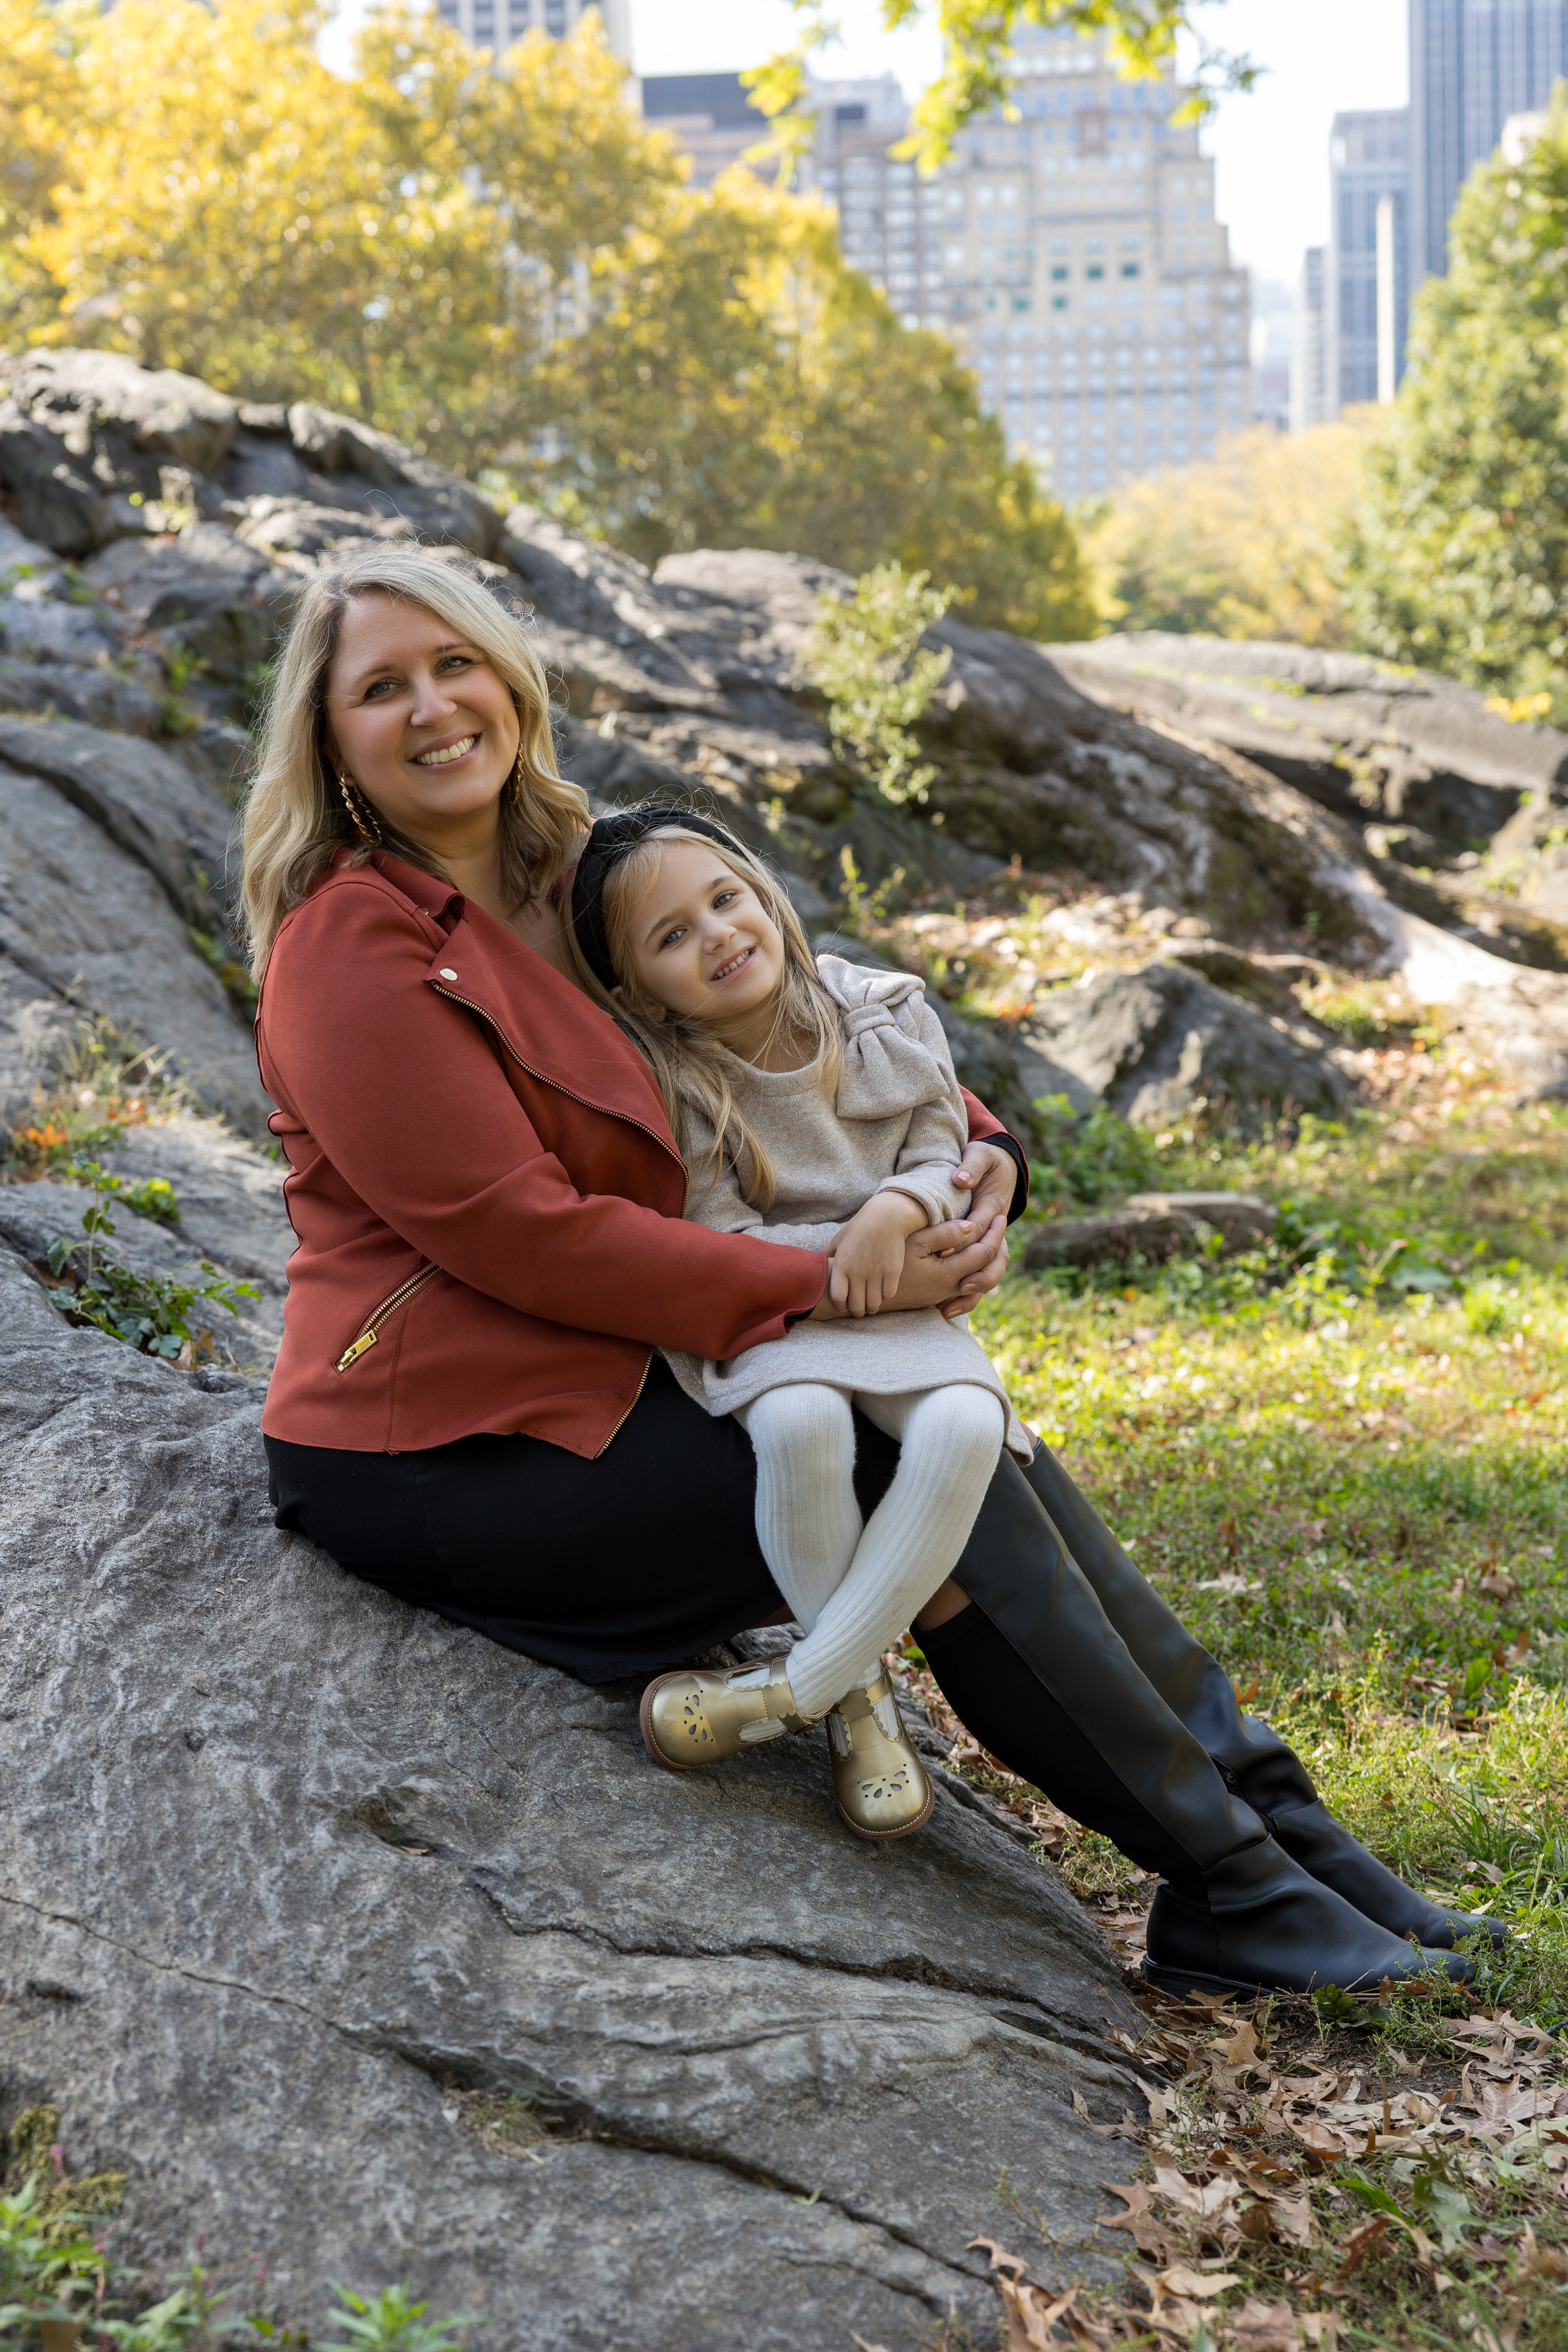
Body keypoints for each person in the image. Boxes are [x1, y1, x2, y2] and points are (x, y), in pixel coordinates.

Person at [243, 543, 1498, 2000]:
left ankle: (1289, 1840)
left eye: (453, 663)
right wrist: (842, 1283)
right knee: (935, 1483)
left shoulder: (579, 867)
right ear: (328, 742)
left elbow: (801, 1017)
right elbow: (525, 1238)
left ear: (507, 676)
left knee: (987, 1453)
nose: (433, 707)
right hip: (452, 1445)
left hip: (633, 1362)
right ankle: (1229, 1889)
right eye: (380, 689)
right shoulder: (352, 950)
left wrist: (981, 1158)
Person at [566, 804, 1038, 1842]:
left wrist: (897, 1209)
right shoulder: (675, 1084)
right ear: (634, 989)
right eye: (672, 937)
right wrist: (837, 1265)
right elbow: (715, 1232)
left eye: (724, 900)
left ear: (762, 890)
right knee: (799, 1429)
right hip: (776, 1315)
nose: (718, 936)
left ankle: (791, 1694)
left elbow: (941, 1138)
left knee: (965, 1428)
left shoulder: (878, 1008)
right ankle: (861, 1709)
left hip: (899, 1291)